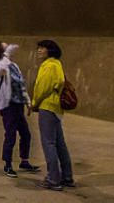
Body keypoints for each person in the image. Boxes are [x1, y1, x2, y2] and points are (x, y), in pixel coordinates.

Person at [31, 39, 74, 191]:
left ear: (51, 50)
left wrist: (34, 103)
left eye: (43, 48)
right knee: (60, 143)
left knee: (48, 143)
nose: (39, 50)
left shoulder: (48, 66)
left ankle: (53, 179)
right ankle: (67, 177)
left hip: (47, 107)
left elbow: (42, 88)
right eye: (39, 48)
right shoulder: (57, 65)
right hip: (56, 108)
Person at [0, 41, 39, 178]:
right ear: (2, 52)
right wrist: (6, 57)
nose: (10, 49)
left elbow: (21, 85)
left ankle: (24, 161)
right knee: (10, 134)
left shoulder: (15, 66)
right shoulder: (0, 65)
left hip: (18, 105)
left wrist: (28, 103)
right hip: (8, 106)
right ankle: (8, 164)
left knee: (26, 133)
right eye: (6, 48)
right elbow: (0, 70)